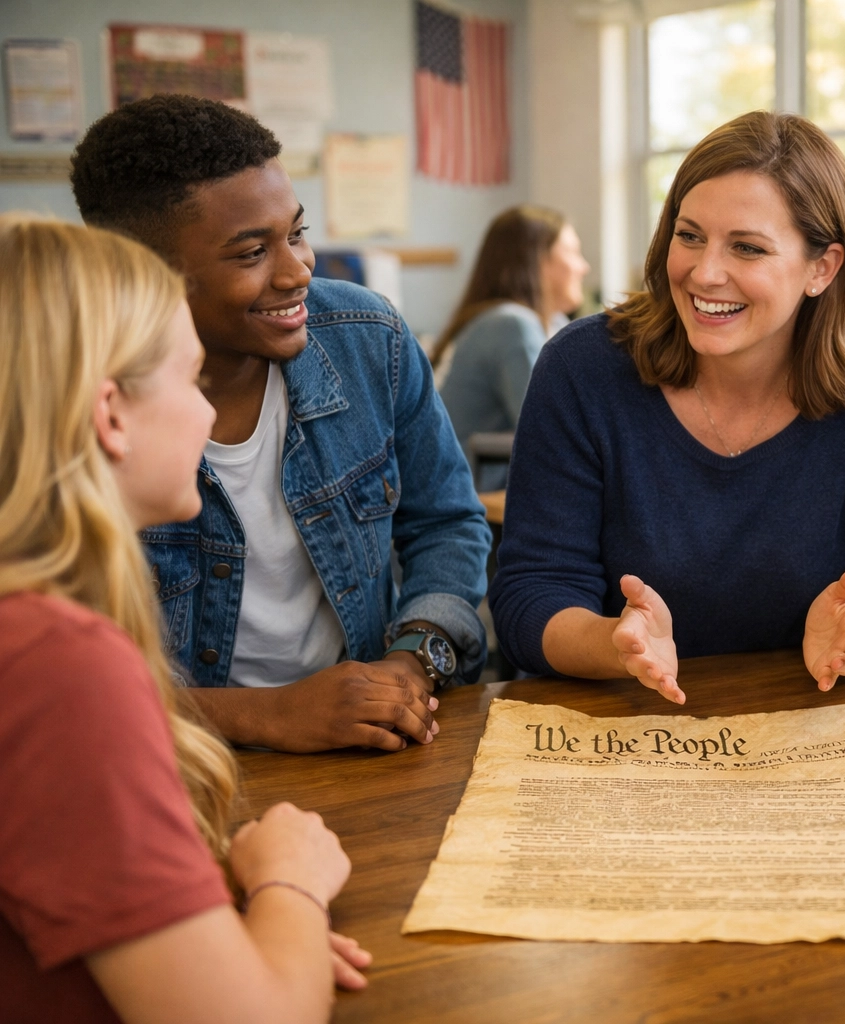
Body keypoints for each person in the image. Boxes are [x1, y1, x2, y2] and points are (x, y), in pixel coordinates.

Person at [0, 215, 369, 1022]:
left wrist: (261, 940)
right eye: (192, 381)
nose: (208, 418)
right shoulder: (58, 665)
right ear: (110, 414)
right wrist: (291, 882)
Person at [70, 95, 492, 752]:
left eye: (295, 233)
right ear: (147, 275)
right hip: (167, 760)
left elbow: (446, 525)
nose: (298, 271)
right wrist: (265, 716)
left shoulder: (366, 336)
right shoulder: (65, 405)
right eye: (251, 253)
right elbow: (60, 687)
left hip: (362, 745)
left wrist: (410, 664)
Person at [489, 111, 845, 703]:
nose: (704, 273)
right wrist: (619, 645)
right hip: (618, 728)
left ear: (821, 268)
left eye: (747, 248)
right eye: (690, 235)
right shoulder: (583, 368)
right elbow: (532, 594)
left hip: (808, 716)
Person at [436, 205, 591, 484]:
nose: (584, 266)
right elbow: (553, 434)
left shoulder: (549, 323)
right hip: (468, 494)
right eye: (572, 252)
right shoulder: (511, 324)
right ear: (537, 260)